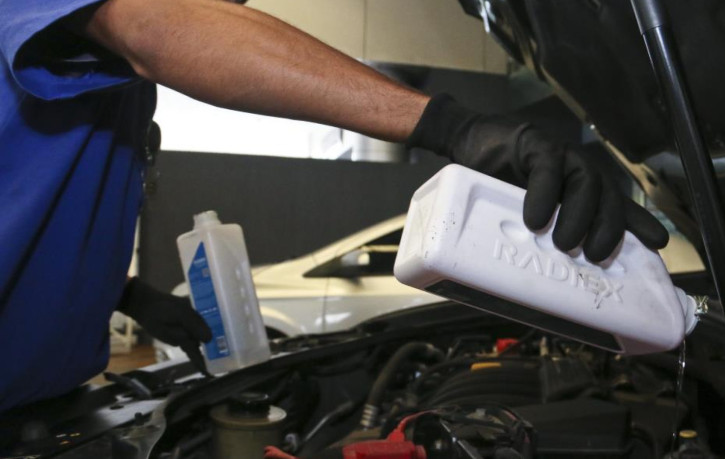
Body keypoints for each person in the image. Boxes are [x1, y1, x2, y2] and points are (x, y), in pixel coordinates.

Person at [0, 0, 668, 413]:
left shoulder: (109, 81)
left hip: (51, 409)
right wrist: (450, 126)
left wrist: (127, 295)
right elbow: (153, 23)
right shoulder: (101, 21)